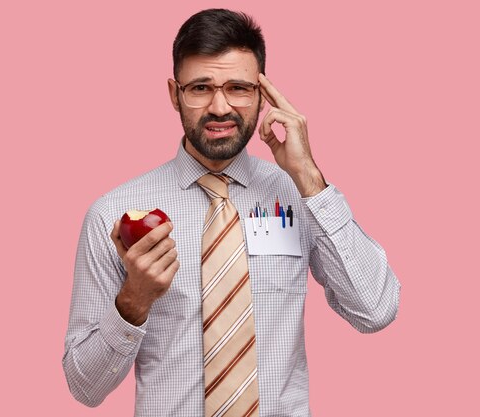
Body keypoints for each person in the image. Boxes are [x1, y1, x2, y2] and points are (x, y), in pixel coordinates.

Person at [63, 8, 400, 417]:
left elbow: (375, 310)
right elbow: (84, 387)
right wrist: (134, 300)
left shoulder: (299, 195)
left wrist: (309, 176)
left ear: (262, 95)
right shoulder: (111, 217)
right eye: (201, 87)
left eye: (238, 87)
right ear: (174, 94)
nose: (220, 107)